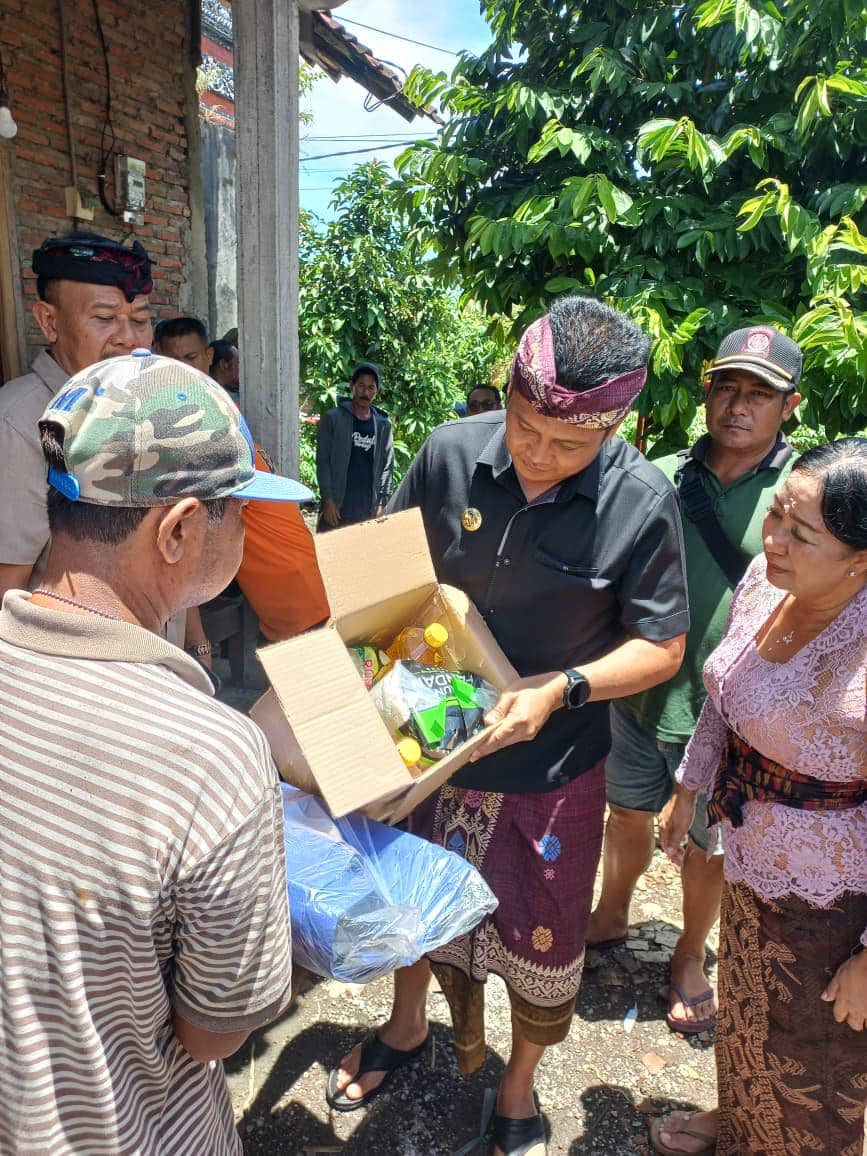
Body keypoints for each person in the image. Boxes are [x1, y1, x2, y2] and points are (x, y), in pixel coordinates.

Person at [327, 296, 690, 1156]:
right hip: (426, 752)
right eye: (527, 429)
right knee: (408, 902)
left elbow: (663, 645)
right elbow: (386, 575)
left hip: (549, 770)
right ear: (510, 392)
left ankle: (518, 1084)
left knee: (542, 934)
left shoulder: (639, 501)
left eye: (570, 446)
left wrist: (561, 686)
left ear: (614, 427)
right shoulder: (449, 455)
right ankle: (408, 1025)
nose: (539, 455)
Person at [0, 350, 311, 1155]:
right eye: (238, 509)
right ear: (176, 530)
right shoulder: (209, 754)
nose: (247, 528)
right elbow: (214, 1032)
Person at [652, 438, 867, 1156]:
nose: (772, 540)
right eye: (775, 515)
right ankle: (735, 1122)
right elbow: (724, 693)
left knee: (816, 1064)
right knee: (745, 1013)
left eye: (799, 534)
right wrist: (688, 786)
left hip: (835, 904)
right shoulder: (763, 581)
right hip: (746, 859)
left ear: (860, 560)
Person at [588, 325, 802, 1034]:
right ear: (706, 392)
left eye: (759, 395)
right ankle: (611, 913)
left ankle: (687, 953)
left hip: (729, 711)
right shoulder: (662, 473)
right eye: (726, 388)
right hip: (641, 693)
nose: (738, 407)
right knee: (624, 813)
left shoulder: (801, 493)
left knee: (704, 845)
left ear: (789, 406)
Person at [0, 232, 153, 601]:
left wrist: (197, 646)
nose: (130, 338)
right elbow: (5, 596)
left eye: (142, 318)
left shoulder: (140, 403)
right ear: (49, 322)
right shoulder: (19, 428)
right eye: (105, 317)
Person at [156, 322, 330, 642]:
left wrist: (199, 642)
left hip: (297, 585)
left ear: (209, 356)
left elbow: (187, 547)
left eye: (191, 357)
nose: (183, 370)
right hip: (288, 591)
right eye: (172, 361)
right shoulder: (204, 424)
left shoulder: (219, 423)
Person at [316, 362, 394, 530]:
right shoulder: (333, 419)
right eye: (361, 386)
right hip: (337, 511)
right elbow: (323, 462)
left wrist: (382, 503)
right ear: (352, 386)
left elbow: (388, 466)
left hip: (368, 512)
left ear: (376, 390)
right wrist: (328, 499)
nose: (365, 393)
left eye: (371, 387)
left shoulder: (382, 425)